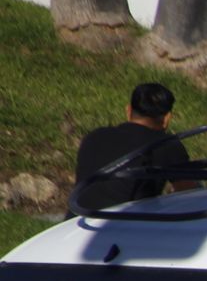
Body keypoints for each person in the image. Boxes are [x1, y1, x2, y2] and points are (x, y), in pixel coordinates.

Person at [72, 82, 195, 213]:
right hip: (123, 227)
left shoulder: (94, 137)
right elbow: (189, 196)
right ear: (167, 118)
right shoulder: (166, 145)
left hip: (74, 225)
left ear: (128, 110)